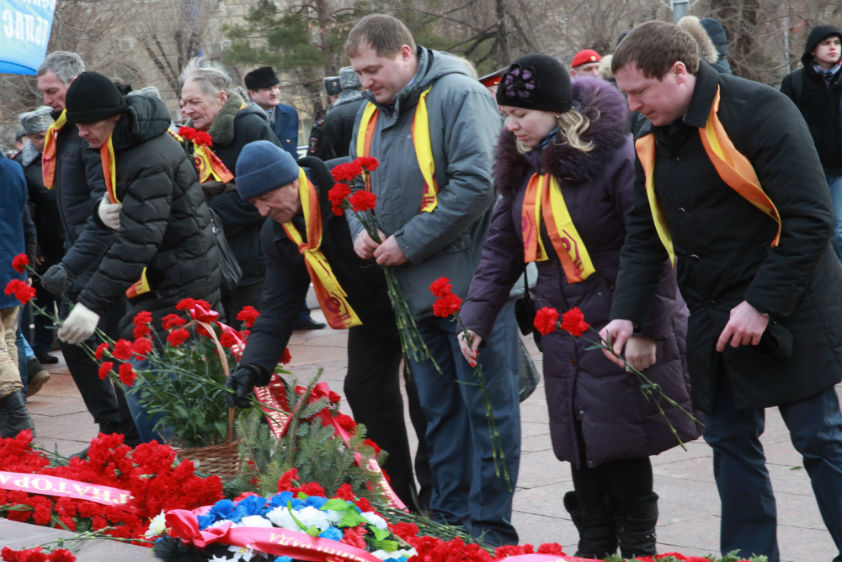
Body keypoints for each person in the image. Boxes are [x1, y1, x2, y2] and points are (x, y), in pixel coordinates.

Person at [601, 20, 842, 562]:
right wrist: (629, 315)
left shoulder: (760, 110)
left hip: (789, 306)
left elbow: (810, 218)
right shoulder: (649, 134)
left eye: (640, 92)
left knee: (820, 440)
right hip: (712, 313)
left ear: (679, 72)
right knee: (730, 443)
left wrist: (761, 304)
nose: (633, 106)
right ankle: (749, 556)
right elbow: (645, 232)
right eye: (626, 95)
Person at [458, 54, 698, 558]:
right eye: (505, 115)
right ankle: (593, 540)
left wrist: (646, 328)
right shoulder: (526, 166)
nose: (512, 125)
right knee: (579, 436)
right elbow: (502, 245)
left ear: (554, 110)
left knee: (621, 435)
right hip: (562, 323)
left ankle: (637, 544)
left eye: (520, 113)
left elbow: (650, 243)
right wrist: (476, 317)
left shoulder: (614, 156)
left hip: (618, 318)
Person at [345, 14, 521, 545]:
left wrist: (410, 240)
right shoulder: (368, 113)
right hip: (413, 294)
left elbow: (478, 182)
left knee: (487, 411)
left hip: (470, 290)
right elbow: (355, 180)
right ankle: (447, 520)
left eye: (372, 69)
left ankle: (490, 526)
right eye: (357, 73)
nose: (365, 82)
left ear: (404, 53)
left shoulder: (458, 95)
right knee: (439, 412)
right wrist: (360, 229)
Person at [224, 140, 431, 510]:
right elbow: (277, 307)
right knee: (364, 390)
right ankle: (400, 501)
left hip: (410, 305)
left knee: (427, 397)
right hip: (369, 318)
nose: (262, 211)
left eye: (266, 198)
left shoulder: (344, 190)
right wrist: (252, 367)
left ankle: (440, 495)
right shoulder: (277, 234)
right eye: (254, 203)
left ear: (293, 181)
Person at [56, 71, 221, 442]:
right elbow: (116, 215)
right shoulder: (123, 147)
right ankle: (162, 465)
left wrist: (90, 304)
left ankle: (175, 471)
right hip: (159, 286)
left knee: (156, 393)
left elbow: (137, 241)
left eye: (86, 124)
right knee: (143, 379)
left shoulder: (147, 155)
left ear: (112, 117)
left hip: (181, 288)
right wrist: (71, 264)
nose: (80, 133)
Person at [35, 51, 139, 446]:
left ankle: (125, 434)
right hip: (79, 254)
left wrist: (73, 264)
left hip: (98, 261)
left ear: (74, 83)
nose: (46, 101)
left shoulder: (88, 135)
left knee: (107, 352)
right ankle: (112, 429)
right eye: (43, 93)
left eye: (52, 91)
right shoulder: (66, 130)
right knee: (79, 350)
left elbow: (105, 210)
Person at [180, 65, 280, 323]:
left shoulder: (250, 129)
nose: (186, 110)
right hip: (209, 265)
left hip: (252, 262)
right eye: (183, 103)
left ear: (221, 98)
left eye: (194, 102)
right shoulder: (189, 141)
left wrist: (207, 213)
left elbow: (270, 193)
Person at [781, 25, 842, 260]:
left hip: (839, 170)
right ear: (813, 50)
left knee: (837, 229)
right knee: (814, 228)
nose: (833, 48)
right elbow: (783, 125)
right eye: (827, 43)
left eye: (836, 43)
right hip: (808, 169)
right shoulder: (795, 83)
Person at [13, 106, 63, 367]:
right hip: (45, 238)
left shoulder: (65, 154)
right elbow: (27, 209)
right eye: (36, 138)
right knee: (43, 295)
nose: (42, 142)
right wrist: (37, 247)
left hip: (69, 236)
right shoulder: (24, 164)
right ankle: (42, 345)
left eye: (46, 135)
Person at [0, 155, 36, 438]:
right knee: (9, 341)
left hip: (8, 266)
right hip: (12, 267)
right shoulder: (14, 169)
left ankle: (15, 413)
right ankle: (15, 410)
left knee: (3, 346)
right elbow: (26, 221)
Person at [307, 66, 366, 161]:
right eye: (335, 96)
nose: (337, 99)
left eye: (338, 96)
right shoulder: (375, 107)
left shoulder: (327, 121)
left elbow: (314, 160)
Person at [244, 66, 300, 161]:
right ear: (253, 93)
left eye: (276, 87)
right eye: (267, 89)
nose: (274, 93)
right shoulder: (244, 119)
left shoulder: (290, 113)